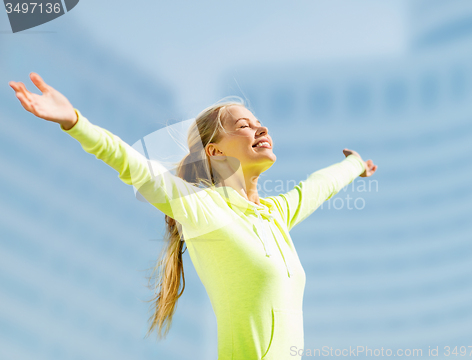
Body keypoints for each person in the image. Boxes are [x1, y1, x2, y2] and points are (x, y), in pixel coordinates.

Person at [9, 72, 377, 360]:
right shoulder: (203, 209)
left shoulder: (275, 215)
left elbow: (318, 185)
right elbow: (133, 166)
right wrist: (75, 121)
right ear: (215, 151)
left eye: (259, 122)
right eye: (244, 125)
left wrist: (354, 164)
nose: (261, 128)